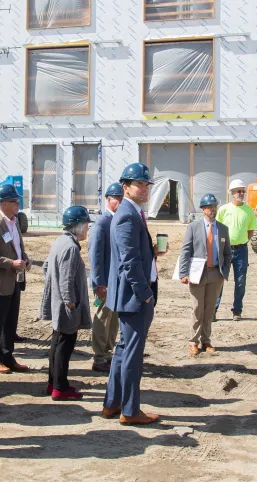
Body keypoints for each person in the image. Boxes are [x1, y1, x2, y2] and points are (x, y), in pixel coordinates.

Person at [104, 163, 166, 426]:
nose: (144, 189)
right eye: (138, 184)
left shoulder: (133, 212)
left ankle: (112, 403)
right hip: (134, 297)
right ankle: (130, 410)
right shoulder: (128, 214)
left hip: (133, 296)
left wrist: (151, 251)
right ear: (125, 187)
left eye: (145, 184)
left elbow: (133, 253)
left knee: (122, 350)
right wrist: (144, 294)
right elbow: (128, 261)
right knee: (132, 354)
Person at [41, 205, 92, 400]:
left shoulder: (60, 241)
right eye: (86, 225)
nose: (88, 229)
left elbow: (46, 268)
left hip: (58, 303)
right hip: (66, 306)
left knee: (57, 342)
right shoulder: (70, 247)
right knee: (65, 345)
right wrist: (70, 303)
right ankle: (60, 387)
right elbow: (66, 279)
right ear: (77, 226)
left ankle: (53, 382)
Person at [0, 183, 31, 374]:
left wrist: (24, 258)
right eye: (13, 200)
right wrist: (11, 263)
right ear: (2, 204)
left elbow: (18, 247)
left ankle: (8, 356)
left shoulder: (15, 222)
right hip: (0, 282)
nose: (17, 203)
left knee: (11, 323)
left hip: (15, 280)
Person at [177, 194, 232, 356]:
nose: (212, 210)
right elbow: (185, 250)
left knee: (209, 310)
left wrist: (224, 271)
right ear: (203, 210)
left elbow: (228, 253)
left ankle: (206, 340)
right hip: (197, 274)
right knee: (197, 309)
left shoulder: (223, 229)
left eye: (214, 206)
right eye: (208, 207)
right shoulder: (193, 227)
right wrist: (183, 272)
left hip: (216, 274)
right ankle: (193, 342)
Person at [88, 183, 122, 372]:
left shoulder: (118, 220)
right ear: (108, 200)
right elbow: (95, 256)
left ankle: (108, 354)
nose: (120, 201)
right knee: (102, 319)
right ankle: (99, 357)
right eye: (117, 198)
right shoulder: (102, 222)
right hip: (105, 283)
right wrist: (98, 283)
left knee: (114, 319)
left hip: (117, 282)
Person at [215, 179, 257, 320]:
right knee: (219, 280)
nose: (241, 193)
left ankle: (237, 311)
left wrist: (242, 241)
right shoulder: (223, 210)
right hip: (225, 249)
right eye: (238, 191)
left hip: (241, 250)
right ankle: (213, 310)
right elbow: (217, 229)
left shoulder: (248, 211)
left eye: (242, 191)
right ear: (232, 193)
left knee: (240, 281)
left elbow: (251, 231)